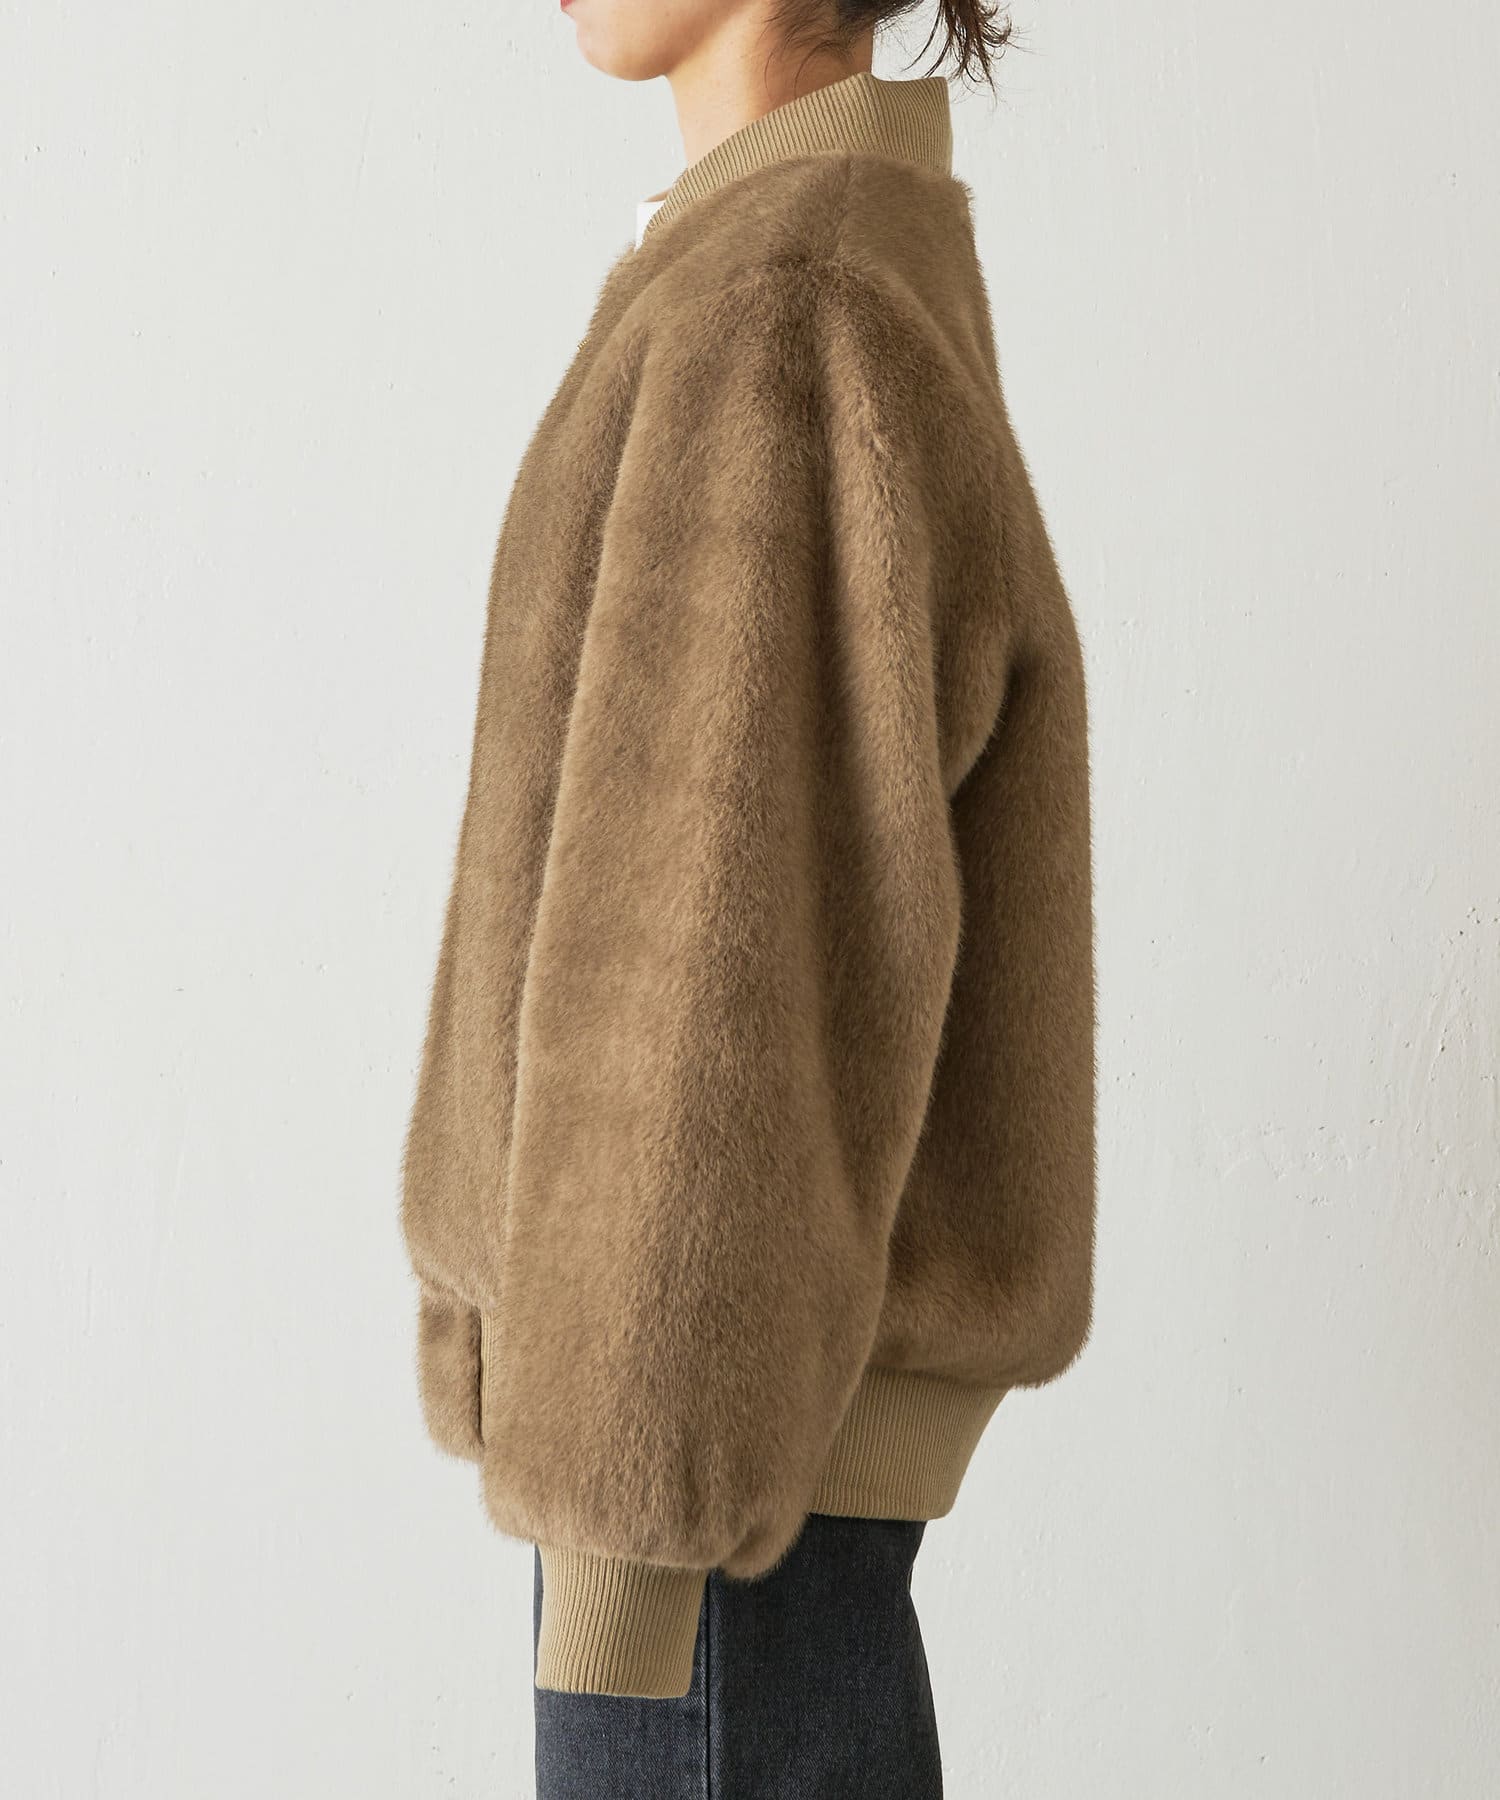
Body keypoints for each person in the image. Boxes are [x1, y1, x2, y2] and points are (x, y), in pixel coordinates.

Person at [400, 1, 1097, 1793]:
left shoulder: (780, 309)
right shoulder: (805, 269)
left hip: (701, 1510)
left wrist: (630, 1552)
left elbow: (699, 970)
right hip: (735, 1492)